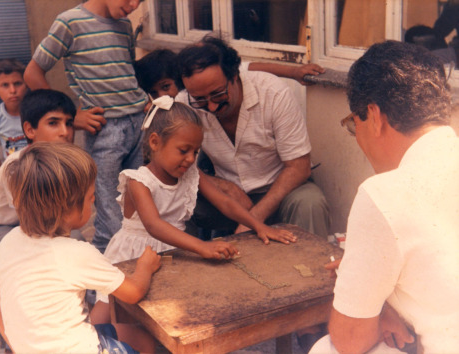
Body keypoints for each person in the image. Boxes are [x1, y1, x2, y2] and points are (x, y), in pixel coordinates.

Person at [90, 96, 297, 324]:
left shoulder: (190, 174)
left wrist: (259, 226)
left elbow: (224, 201)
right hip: (135, 254)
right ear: (155, 142)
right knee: (110, 309)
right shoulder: (138, 181)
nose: (190, 159)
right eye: (183, 150)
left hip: (174, 251)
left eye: (196, 152)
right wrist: (202, 246)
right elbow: (154, 225)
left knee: (164, 311)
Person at [312, 40, 459, 353]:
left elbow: (351, 340)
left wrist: (371, 299)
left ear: (374, 116)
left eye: (355, 125)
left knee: (327, 349)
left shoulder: (384, 194)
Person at [0, 142, 161, 353]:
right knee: (146, 340)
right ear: (67, 209)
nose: (94, 200)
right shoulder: (77, 254)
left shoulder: (10, 240)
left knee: (136, 337)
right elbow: (133, 293)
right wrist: (145, 265)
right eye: (90, 198)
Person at [176, 35, 330, 239]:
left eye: (218, 95)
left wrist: (254, 219)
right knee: (174, 200)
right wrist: (223, 186)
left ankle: (313, 269)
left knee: (310, 202)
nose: (211, 107)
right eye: (200, 100)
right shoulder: (184, 104)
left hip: (279, 191)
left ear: (234, 76)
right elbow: (176, 165)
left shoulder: (273, 93)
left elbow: (299, 166)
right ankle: (190, 269)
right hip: (228, 199)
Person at [23, 0, 147, 253]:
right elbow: (32, 73)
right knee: (111, 217)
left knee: (140, 210)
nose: (135, 5)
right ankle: (101, 285)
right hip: (106, 131)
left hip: (140, 125)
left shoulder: (124, 25)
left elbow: (125, 73)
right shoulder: (69, 22)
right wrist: (70, 115)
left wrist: (145, 100)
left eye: (142, 1)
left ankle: (134, 274)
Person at [0, 89, 75, 260]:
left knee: (76, 241)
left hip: (26, 226)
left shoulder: (63, 161)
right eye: (53, 123)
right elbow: (32, 221)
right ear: (30, 130)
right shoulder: (18, 165)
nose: (65, 132)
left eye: (69, 123)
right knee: (41, 253)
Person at [134, 48, 325, 101]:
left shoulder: (202, 81)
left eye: (166, 86)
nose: (163, 96)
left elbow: (250, 68)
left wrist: (294, 72)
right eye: (154, 92)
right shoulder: (160, 109)